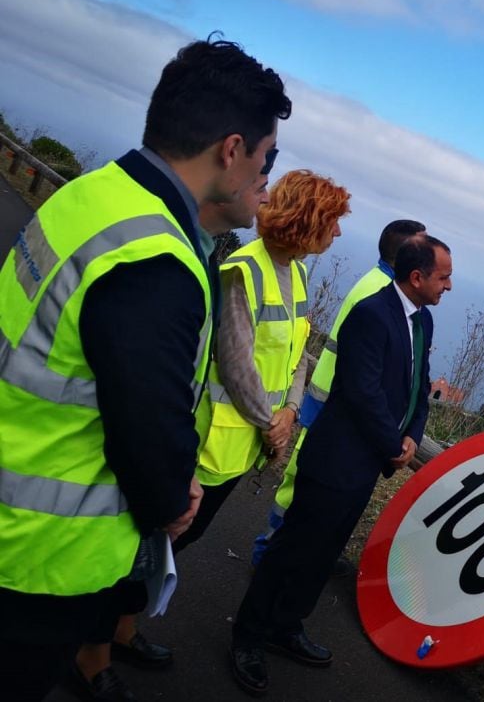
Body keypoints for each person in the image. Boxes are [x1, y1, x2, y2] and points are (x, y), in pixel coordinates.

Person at [0, 37, 290, 702]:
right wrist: (172, 498)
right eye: (267, 159)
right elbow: (145, 429)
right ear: (232, 151)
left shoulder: (96, 194)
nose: (266, 181)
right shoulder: (156, 262)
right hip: (37, 558)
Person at [229, 236, 452, 696]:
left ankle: (286, 626)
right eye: (443, 277)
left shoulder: (422, 320)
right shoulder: (371, 314)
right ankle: (247, 637)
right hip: (335, 458)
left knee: (323, 551)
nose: (448, 285)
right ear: (417, 277)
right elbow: (361, 391)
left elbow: (417, 385)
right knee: (292, 548)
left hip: (364, 463)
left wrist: (412, 431)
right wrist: (395, 444)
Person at [174, 169, 350, 553]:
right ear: (309, 217)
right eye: (333, 221)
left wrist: (290, 411)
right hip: (210, 443)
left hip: (247, 440)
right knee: (167, 541)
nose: (337, 232)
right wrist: (274, 424)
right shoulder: (244, 271)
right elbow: (236, 364)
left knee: (188, 537)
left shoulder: (297, 272)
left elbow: (298, 352)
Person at [251, 219, 426, 566]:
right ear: (404, 254)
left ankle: (281, 553)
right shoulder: (381, 293)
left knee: (304, 488)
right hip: (333, 406)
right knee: (300, 488)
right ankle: (270, 552)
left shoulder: (378, 284)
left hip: (330, 400)